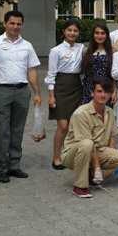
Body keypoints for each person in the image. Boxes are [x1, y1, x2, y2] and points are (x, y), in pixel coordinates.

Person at [0, 10, 42, 183]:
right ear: (5, 24)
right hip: (1, 91)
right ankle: (2, 168)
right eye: (12, 23)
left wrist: (37, 93)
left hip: (21, 91)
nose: (15, 26)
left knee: (17, 130)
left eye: (19, 24)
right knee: (2, 131)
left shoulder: (27, 45)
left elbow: (32, 70)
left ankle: (14, 165)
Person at [61, 78, 118, 198]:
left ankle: (91, 177)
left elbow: (113, 136)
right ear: (92, 93)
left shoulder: (110, 112)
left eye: (107, 92)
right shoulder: (81, 113)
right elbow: (87, 143)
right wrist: (97, 167)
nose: (103, 95)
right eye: (99, 91)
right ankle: (80, 186)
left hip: (97, 150)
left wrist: (111, 154)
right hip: (74, 153)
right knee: (87, 144)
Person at [47, 19, 85, 170]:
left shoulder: (82, 48)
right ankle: (56, 157)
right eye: (69, 30)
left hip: (76, 86)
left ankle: (71, 155)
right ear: (64, 31)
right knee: (63, 126)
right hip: (61, 87)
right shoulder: (55, 51)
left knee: (75, 125)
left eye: (75, 31)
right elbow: (51, 75)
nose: (72, 33)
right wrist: (51, 95)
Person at [81, 23, 113, 104]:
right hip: (89, 89)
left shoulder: (112, 51)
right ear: (93, 35)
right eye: (97, 33)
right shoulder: (86, 51)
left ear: (106, 35)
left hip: (105, 89)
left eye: (102, 33)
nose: (99, 36)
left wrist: (114, 91)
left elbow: (114, 75)